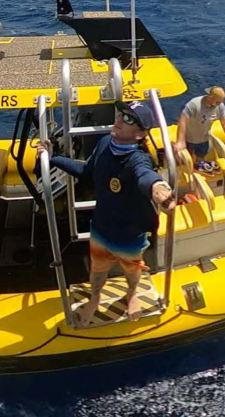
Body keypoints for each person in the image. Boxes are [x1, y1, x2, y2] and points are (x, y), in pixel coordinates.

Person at [37, 101, 174, 325]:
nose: (119, 119)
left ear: (140, 135)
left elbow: (145, 176)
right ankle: (95, 297)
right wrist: (53, 158)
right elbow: (86, 171)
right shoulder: (104, 143)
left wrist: (158, 189)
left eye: (129, 119)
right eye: (121, 114)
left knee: (131, 268)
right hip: (101, 226)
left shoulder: (137, 159)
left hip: (129, 232)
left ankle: (131, 294)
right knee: (97, 269)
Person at [176, 86, 225, 172]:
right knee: (187, 160)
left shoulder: (220, 106)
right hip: (189, 139)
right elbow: (182, 121)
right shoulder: (194, 104)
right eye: (217, 102)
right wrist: (180, 141)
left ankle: (199, 164)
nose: (219, 104)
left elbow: (224, 122)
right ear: (211, 97)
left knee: (202, 155)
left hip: (204, 138)